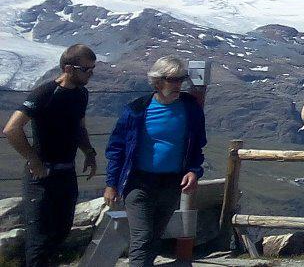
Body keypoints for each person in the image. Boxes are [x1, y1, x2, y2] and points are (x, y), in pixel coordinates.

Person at [103, 56, 207, 267]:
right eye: (173, 79)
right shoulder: (136, 110)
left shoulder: (191, 109)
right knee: (142, 238)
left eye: (182, 79)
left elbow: (197, 145)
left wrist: (194, 171)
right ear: (158, 81)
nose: (178, 84)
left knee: (154, 238)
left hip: (170, 184)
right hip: (139, 183)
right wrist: (111, 184)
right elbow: (117, 148)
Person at [4, 44, 98, 267]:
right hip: (41, 176)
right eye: (86, 69)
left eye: (93, 70)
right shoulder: (45, 93)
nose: (90, 75)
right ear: (68, 68)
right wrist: (32, 159)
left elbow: (78, 126)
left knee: (60, 232)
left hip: (66, 173)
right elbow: (11, 128)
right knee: (39, 240)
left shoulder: (81, 94)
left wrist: (89, 152)